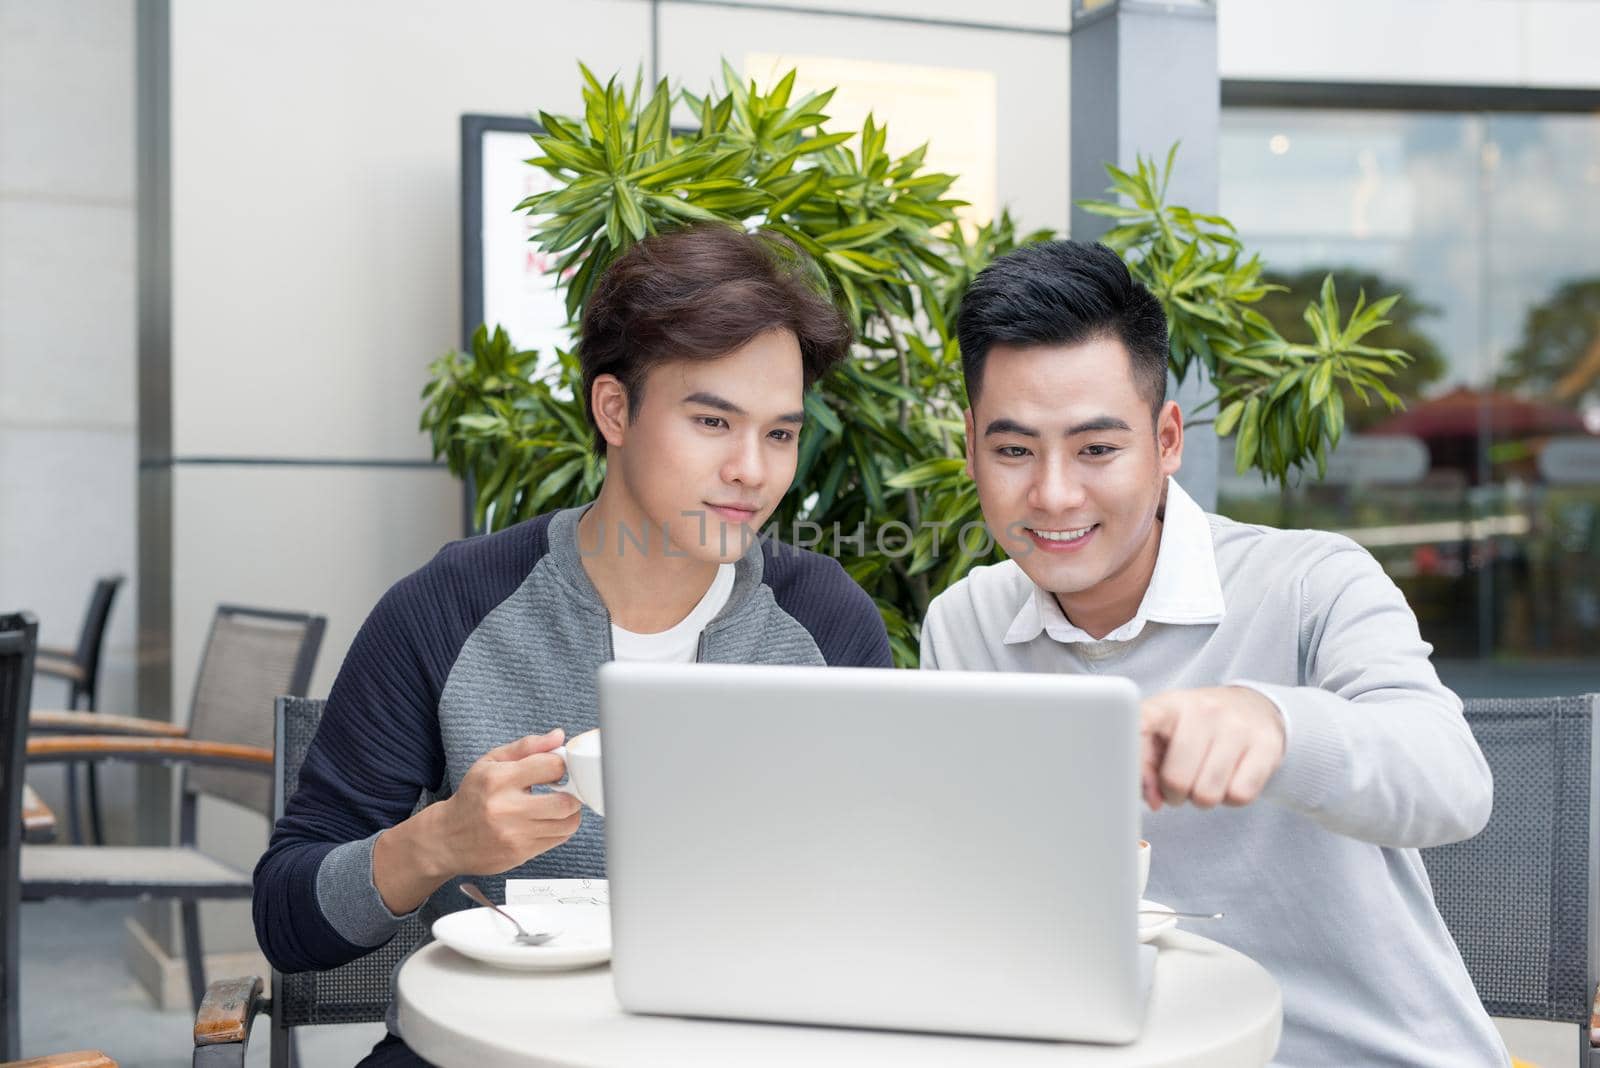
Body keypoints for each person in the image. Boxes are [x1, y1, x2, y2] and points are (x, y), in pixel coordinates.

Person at [254, 224, 891, 1066]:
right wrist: (439, 843)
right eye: (712, 420)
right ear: (614, 409)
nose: (754, 469)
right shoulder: (450, 607)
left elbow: (888, 895)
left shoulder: (826, 622)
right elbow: (288, 918)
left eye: (780, 433)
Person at [919, 239, 1507, 1066]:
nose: (1052, 494)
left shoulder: (1310, 583)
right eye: (1014, 450)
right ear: (972, 441)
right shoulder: (966, 625)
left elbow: (1453, 783)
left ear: (1166, 441)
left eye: (1097, 450)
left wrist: (1275, 725)